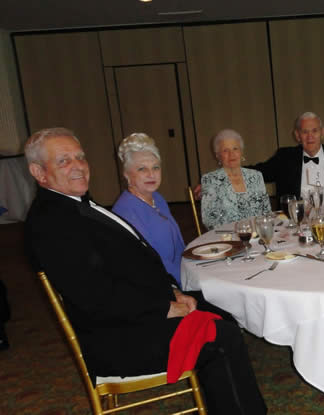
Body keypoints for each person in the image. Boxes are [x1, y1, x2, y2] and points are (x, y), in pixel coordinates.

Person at [24, 128, 267, 415]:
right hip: (118, 336)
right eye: (64, 161)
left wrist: (172, 291)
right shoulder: (52, 223)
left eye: (80, 157)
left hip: (136, 311)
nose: (78, 166)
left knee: (223, 311)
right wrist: (165, 307)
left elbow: (129, 265)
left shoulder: (75, 204)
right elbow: (95, 297)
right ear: (38, 172)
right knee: (221, 338)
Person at [112, 133, 186, 287]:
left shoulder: (157, 198)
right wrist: (188, 279)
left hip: (182, 274)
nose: (151, 174)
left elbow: (178, 245)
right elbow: (151, 262)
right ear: (126, 174)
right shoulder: (125, 212)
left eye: (155, 167)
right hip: (162, 286)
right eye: (142, 169)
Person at [250, 112, 324, 200]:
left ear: (322, 133)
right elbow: (259, 174)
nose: (310, 137)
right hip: (298, 218)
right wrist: (237, 166)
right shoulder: (284, 158)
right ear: (297, 135)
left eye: (314, 131)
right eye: (305, 132)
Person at [201, 129, 271, 229]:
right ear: (218, 155)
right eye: (225, 150)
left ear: (241, 152)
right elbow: (209, 220)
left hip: (257, 233)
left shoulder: (256, 176)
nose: (231, 154)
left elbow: (266, 211)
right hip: (227, 235)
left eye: (235, 149)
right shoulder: (210, 180)